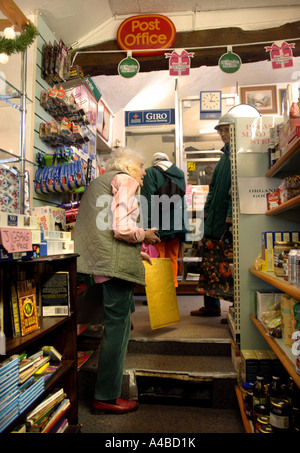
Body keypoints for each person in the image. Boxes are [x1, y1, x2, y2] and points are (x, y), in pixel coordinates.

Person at [74, 147, 160, 414]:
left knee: (119, 319)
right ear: (127, 166)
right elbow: (122, 229)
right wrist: (144, 235)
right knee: (118, 328)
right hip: (114, 268)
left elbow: (104, 224)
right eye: (141, 165)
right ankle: (106, 396)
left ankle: (106, 392)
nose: (144, 171)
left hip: (99, 264)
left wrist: (139, 253)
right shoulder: (125, 179)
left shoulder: (100, 182)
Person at [190, 113, 235, 317]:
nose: (223, 134)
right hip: (214, 220)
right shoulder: (224, 157)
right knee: (209, 262)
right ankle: (211, 306)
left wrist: (230, 214)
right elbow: (214, 187)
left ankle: (236, 310)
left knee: (230, 264)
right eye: (221, 131)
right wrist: (206, 211)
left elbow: (236, 191)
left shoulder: (237, 155)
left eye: (226, 130)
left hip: (227, 221)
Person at [140, 152, 188, 287]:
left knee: (157, 256)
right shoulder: (180, 174)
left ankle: (160, 291)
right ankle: (171, 287)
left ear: (154, 162)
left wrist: (147, 225)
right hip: (178, 223)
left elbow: (147, 201)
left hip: (159, 223)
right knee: (172, 256)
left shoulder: (150, 172)